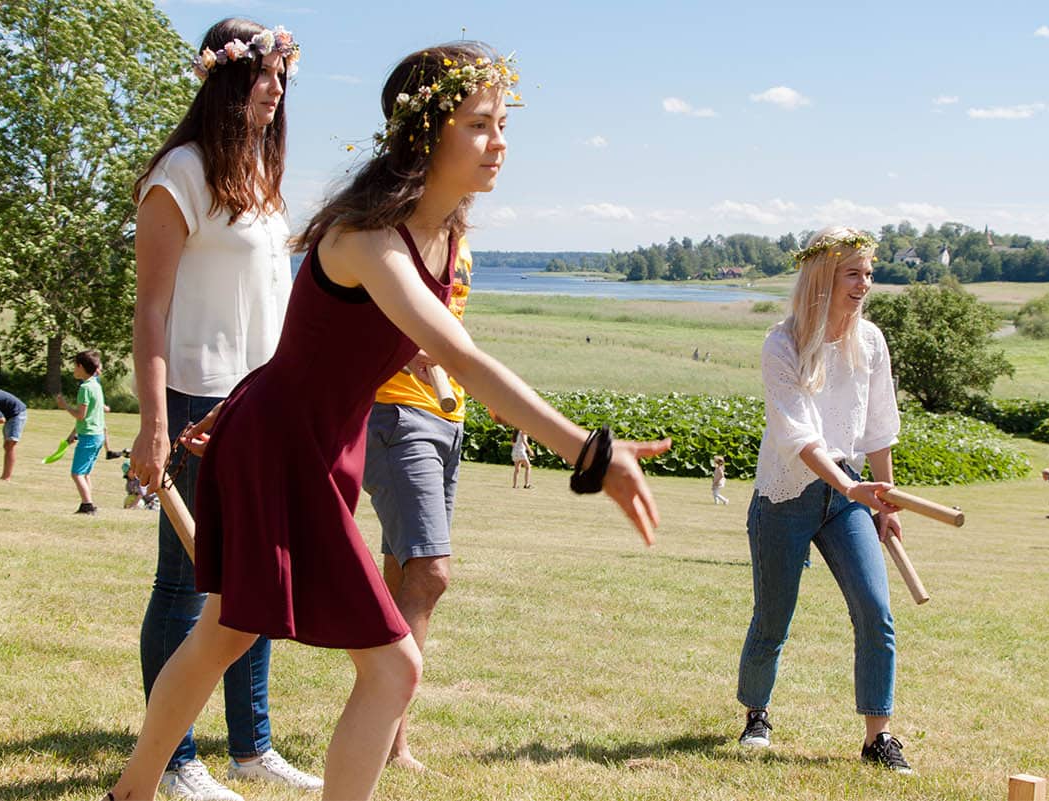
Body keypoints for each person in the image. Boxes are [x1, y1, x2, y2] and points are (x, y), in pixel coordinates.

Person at [102, 42, 669, 801]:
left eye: (502, 124)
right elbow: (462, 357)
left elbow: (413, 352)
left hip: (323, 446)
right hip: (282, 447)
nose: (499, 142)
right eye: (479, 124)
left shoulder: (443, 237)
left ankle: (131, 792)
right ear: (425, 134)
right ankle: (138, 788)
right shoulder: (367, 239)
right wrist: (590, 451)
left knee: (226, 631)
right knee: (388, 664)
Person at [127, 18, 317, 800]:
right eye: (264, 76)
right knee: (186, 584)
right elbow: (150, 310)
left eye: (282, 78)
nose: (275, 90)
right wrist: (153, 421)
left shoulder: (262, 184)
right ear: (226, 79)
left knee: (260, 584)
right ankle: (173, 762)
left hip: (261, 404)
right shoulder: (180, 173)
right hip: (194, 400)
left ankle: (253, 746)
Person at [735, 226, 913, 773]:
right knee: (773, 617)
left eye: (868, 273)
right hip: (787, 496)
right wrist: (848, 483)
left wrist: (881, 499)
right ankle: (757, 715)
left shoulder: (872, 342)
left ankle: (877, 736)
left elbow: (880, 425)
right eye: (852, 273)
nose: (865, 284)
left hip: (848, 499)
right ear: (822, 279)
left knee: (876, 612)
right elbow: (799, 436)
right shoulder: (781, 343)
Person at [360, 236, 473, 771]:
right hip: (398, 415)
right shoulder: (400, 231)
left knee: (402, 575)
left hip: (447, 419)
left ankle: (385, 735)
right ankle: (388, 740)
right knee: (429, 573)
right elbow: (371, 313)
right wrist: (413, 351)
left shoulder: (457, 241)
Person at [56, 349, 106, 515]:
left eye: (74, 366)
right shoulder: (96, 385)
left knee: (77, 473)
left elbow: (81, 415)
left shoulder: (85, 388)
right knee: (85, 474)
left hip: (89, 437)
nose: (73, 370)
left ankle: (88, 505)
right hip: (97, 435)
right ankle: (88, 502)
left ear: (80, 366)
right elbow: (90, 416)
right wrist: (73, 434)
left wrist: (65, 406)